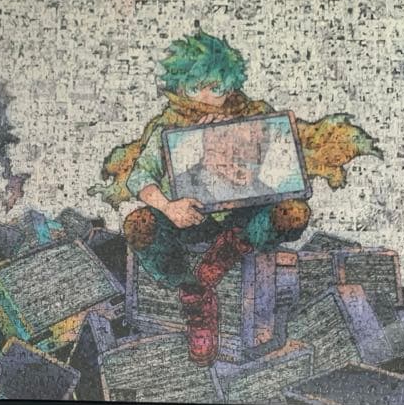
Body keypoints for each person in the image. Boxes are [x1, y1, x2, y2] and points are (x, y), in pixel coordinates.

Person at [95, 29, 380, 366]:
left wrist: (247, 141)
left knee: (292, 213)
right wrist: (169, 206)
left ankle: (231, 247)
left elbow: (284, 172)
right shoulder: (167, 127)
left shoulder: (256, 114)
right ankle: (193, 291)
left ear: (230, 85)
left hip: (244, 219)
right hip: (189, 220)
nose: (205, 96)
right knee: (139, 224)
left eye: (215, 88)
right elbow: (139, 177)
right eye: (195, 87)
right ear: (180, 86)